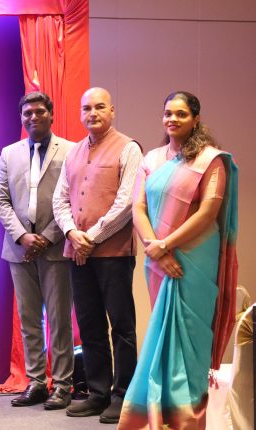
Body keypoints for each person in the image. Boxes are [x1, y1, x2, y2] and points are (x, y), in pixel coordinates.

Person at [118, 91, 238, 429]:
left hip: (195, 261)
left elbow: (208, 212)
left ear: (196, 119)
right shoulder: (152, 159)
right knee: (162, 334)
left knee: (190, 340)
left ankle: (188, 420)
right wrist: (154, 247)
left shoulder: (211, 160)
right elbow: (138, 207)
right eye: (168, 113)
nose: (173, 119)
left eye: (181, 114)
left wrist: (165, 244)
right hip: (157, 260)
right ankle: (159, 417)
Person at [53, 87, 142, 424]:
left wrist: (89, 237)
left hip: (114, 254)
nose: (93, 113)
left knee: (121, 326)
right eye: (86, 108)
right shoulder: (73, 152)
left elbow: (127, 202)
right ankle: (98, 393)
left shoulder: (129, 148)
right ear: (81, 113)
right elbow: (60, 200)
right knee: (90, 326)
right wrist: (71, 233)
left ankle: (123, 396)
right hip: (78, 253)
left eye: (100, 107)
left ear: (112, 111)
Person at [0, 92, 75, 410]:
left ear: (51, 115)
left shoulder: (70, 151)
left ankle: (64, 385)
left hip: (55, 248)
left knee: (59, 319)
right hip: (19, 250)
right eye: (27, 113)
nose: (33, 117)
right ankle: (37, 382)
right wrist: (22, 237)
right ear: (22, 118)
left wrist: (46, 237)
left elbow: (73, 200)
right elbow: (1, 200)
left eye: (39, 111)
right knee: (29, 320)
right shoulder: (9, 153)